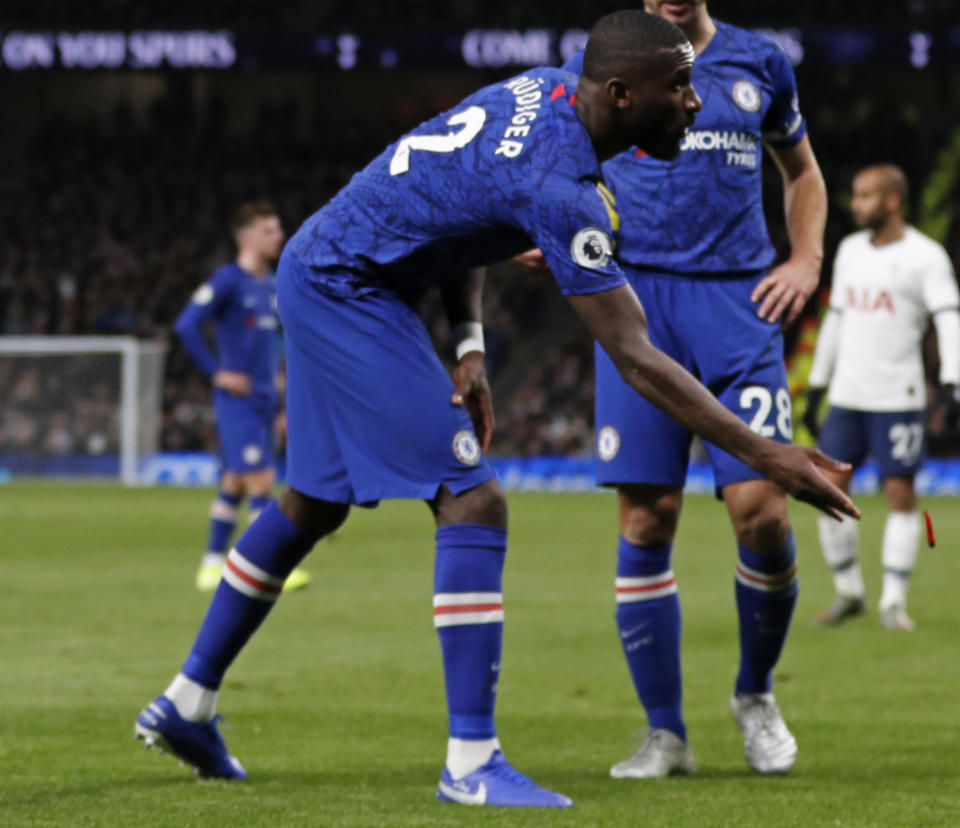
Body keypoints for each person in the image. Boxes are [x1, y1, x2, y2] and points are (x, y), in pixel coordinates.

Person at [134, 11, 858, 809]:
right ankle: (471, 762)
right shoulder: (561, 187)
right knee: (472, 496)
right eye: (677, 87)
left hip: (329, 267)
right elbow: (636, 357)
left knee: (311, 504)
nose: (694, 102)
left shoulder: (541, 93)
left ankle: (186, 703)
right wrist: (771, 454)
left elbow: (463, 209)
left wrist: (469, 343)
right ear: (621, 94)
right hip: (350, 289)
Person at [561, 0, 827, 778]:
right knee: (646, 519)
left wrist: (805, 259)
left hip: (737, 306)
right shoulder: (607, 60)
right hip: (634, 304)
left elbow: (802, 171)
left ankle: (755, 693)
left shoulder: (761, 62)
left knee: (761, 510)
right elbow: (562, 159)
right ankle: (664, 733)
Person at [803, 164, 960, 631]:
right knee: (827, 491)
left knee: (899, 492)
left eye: (866, 196)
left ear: (893, 200)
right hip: (847, 394)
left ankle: (893, 601)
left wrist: (953, 377)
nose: (856, 205)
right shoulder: (850, 251)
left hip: (898, 394)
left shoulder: (926, 256)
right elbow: (835, 319)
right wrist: (817, 383)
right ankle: (849, 591)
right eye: (855, 195)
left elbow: (948, 317)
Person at [174, 201, 310, 594]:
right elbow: (187, 325)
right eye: (270, 230)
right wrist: (218, 373)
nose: (279, 236)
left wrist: (281, 397)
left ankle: (211, 565)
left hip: (265, 399)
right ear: (246, 237)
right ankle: (266, 569)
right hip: (239, 402)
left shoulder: (270, 284)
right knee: (261, 478)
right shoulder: (227, 281)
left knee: (234, 481)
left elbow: (274, 345)